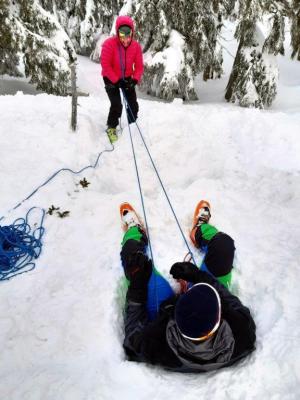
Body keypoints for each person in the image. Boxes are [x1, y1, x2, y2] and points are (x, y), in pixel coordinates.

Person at [120, 201, 256, 372]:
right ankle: (200, 230)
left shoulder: (158, 345)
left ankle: (135, 232)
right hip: (194, 312)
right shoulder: (242, 332)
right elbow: (229, 300)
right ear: (219, 315)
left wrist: (138, 284)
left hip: (162, 310)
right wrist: (197, 276)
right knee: (224, 245)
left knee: (132, 257)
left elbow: (133, 337)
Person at [100, 16, 144, 143]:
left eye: (128, 35)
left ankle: (132, 125)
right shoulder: (109, 44)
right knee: (117, 104)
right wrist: (115, 80)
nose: (125, 39)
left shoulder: (136, 47)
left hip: (127, 77)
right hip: (110, 77)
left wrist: (134, 80)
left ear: (132, 33)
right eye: (122, 35)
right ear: (118, 32)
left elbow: (140, 67)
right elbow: (105, 65)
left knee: (132, 104)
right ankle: (111, 127)